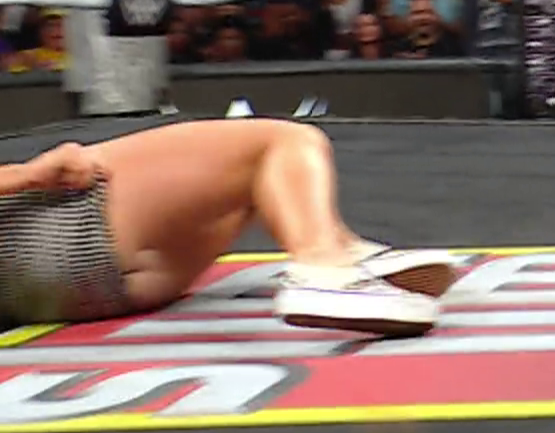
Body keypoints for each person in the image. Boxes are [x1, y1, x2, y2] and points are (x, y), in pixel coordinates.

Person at [0, 117, 455, 335]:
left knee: (250, 188)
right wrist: (27, 175)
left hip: (68, 291)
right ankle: (325, 268)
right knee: (282, 143)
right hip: (44, 234)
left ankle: (339, 248)